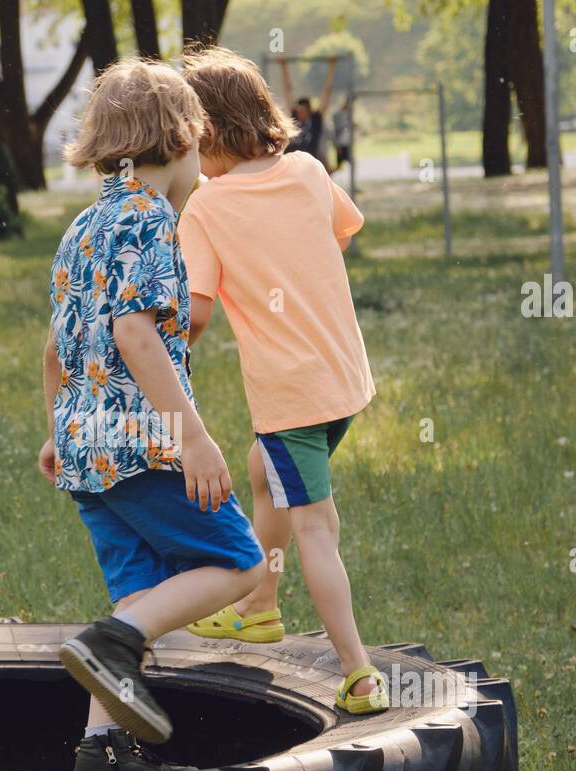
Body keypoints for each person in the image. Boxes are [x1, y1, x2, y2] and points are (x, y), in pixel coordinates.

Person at [39, 58, 266, 771]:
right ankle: (112, 640)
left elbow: (55, 348)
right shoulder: (149, 218)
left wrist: (57, 430)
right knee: (240, 563)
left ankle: (102, 745)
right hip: (141, 445)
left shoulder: (84, 224)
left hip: (87, 452)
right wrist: (193, 439)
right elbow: (135, 335)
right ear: (184, 138)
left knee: (140, 593)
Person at [177, 46, 388, 715]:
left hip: (291, 397)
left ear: (203, 135)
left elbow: (198, 311)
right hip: (344, 379)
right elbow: (343, 230)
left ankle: (357, 672)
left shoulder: (206, 211)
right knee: (263, 469)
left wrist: (158, 348)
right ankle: (259, 605)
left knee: (316, 526)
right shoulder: (306, 169)